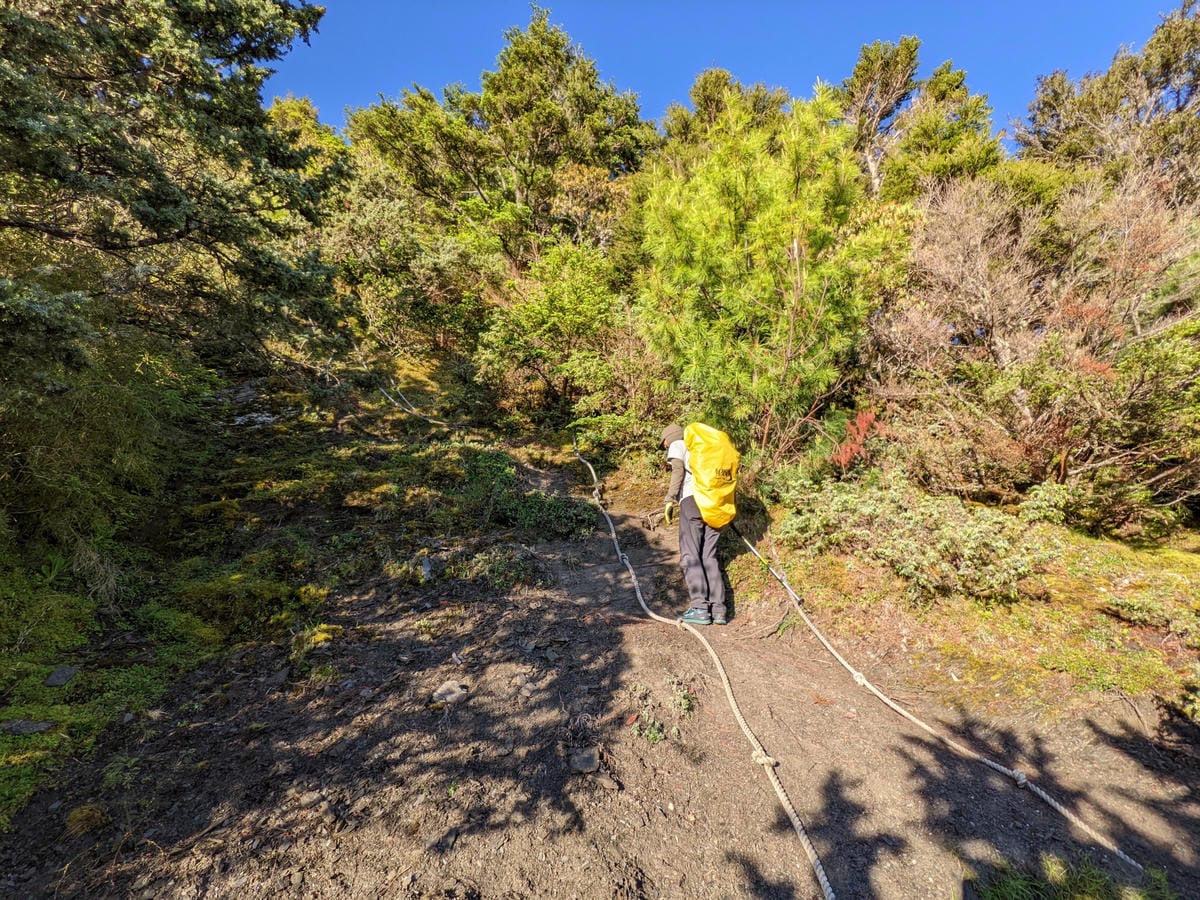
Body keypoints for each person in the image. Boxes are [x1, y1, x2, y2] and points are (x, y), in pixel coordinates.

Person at [661, 423, 727, 625]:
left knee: (690, 554)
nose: (663, 447)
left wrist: (670, 498)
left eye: (663, 443)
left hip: (692, 502)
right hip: (716, 503)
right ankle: (718, 610)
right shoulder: (704, 447)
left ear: (669, 438)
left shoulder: (678, 444)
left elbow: (678, 471)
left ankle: (699, 608)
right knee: (709, 555)